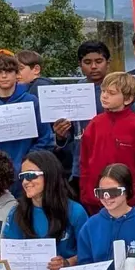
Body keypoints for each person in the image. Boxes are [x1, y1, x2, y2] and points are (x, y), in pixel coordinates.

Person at [0, 50, 53, 196]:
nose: (4, 76)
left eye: (8, 71)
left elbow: (46, 138)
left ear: (16, 74)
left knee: (25, 214)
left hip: (26, 173)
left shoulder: (31, 101)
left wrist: (28, 160)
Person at [79, 72, 135, 214]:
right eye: (103, 91)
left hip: (129, 203)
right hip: (96, 202)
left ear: (128, 99)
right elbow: (84, 162)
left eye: (111, 93)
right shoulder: (94, 123)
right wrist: (87, 194)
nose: (104, 96)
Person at [53, 41, 109, 194]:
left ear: (107, 63)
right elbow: (68, 136)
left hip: (109, 164)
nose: (93, 67)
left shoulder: (117, 90)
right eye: (87, 62)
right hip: (80, 165)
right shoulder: (72, 91)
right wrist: (60, 134)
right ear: (80, 64)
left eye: (99, 61)